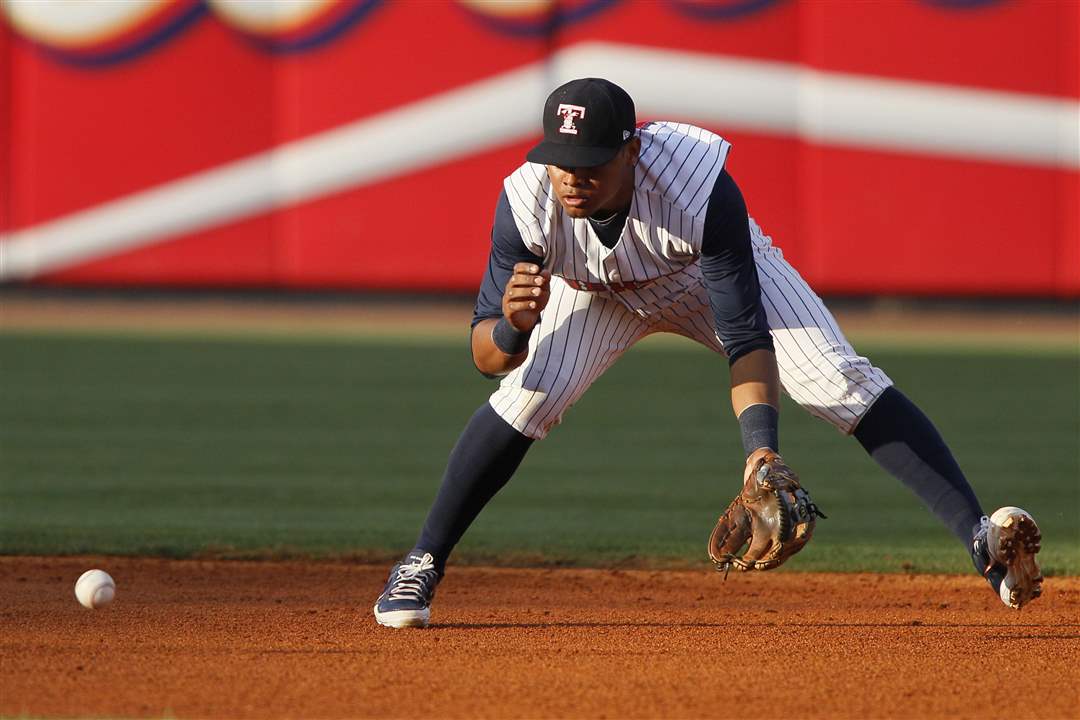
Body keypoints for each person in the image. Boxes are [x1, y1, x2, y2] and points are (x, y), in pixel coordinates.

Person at [372, 78, 1042, 628]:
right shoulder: (526, 201)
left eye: (590, 161)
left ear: (632, 152)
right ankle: (422, 562)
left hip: (697, 276)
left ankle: (981, 539)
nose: (570, 177)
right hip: (594, 293)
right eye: (560, 160)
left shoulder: (697, 185)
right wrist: (514, 331)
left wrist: (760, 451)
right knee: (528, 393)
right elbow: (485, 356)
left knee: (840, 380)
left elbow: (745, 334)